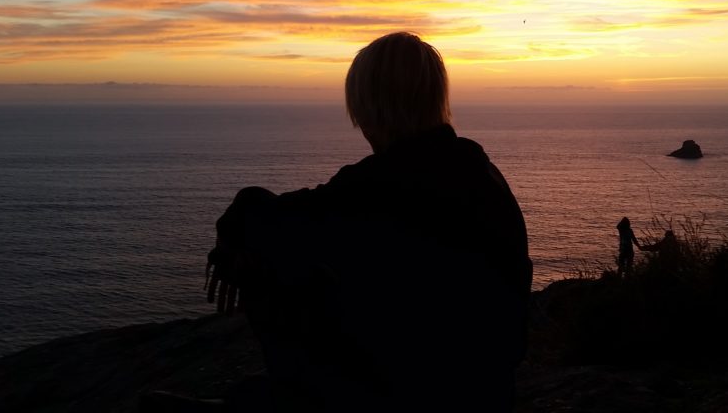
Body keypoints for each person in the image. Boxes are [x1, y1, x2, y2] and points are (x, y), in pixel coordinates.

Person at [204, 32, 532, 412]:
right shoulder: (477, 168)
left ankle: (290, 396)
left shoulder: (382, 183)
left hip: (407, 391)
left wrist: (234, 244)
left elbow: (277, 217)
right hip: (486, 388)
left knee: (277, 267)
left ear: (371, 107)